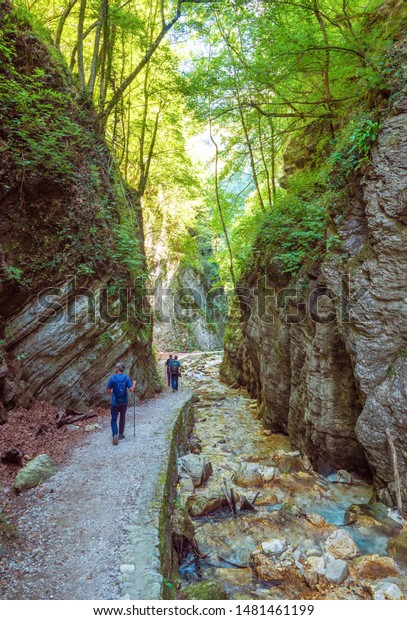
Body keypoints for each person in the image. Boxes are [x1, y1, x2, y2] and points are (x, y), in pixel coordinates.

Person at [107, 362, 137, 445]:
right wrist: (134, 384)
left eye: (115, 368)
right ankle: (121, 434)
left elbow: (108, 391)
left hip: (114, 403)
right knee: (122, 418)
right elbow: (131, 390)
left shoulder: (112, 378)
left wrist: (112, 391)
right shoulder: (126, 378)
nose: (115, 369)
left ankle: (115, 434)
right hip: (124, 402)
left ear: (118, 369)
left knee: (113, 419)